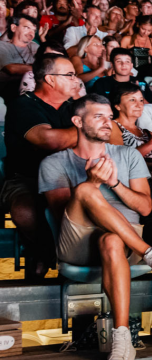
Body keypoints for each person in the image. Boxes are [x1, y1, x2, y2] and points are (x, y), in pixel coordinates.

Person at [40, 94, 152, 360]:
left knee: (111, 240)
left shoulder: (129, 155)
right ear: (77, 121)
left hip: (124, 242)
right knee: (85, 190)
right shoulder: (54, 162)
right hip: (78, 242)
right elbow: (62, 216)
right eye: (99, 116)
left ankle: (122, 339)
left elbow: (145, 207)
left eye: (110, 117)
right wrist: (93, 184)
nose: (108, 123)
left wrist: (114, 183)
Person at [2, 54, 82, 277]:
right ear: (50, 79)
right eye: (69, 75)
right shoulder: (23, 105)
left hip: (71, 177)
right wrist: (87, 130)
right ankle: (46, 250)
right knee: (25, 211)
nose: (76, 80)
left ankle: (71, 256)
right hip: (26, 178)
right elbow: (50, 140)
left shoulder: (73, 108)